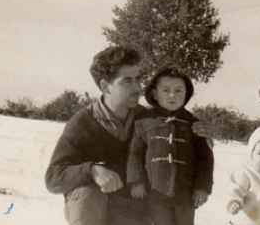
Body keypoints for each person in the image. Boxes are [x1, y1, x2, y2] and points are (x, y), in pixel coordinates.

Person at [44, 47, 213, 225]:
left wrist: (201, 134)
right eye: (127, 81)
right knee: (87, 195)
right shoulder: (83, 123)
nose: (137, 87)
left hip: (131, 209)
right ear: (104, 86)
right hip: (93, 208)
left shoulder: (150, 120)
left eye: (137, 79)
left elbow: (182, 148)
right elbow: (53, 177)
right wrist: (92, 170)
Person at [126, 63, 214, 225]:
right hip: (155, 192)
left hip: (185, 195)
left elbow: (205, 159)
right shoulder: (143, 122)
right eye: (166, 90)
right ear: (155, 93)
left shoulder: (193, 123)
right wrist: (136, 181)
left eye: (178, 91)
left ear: (186, 93)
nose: (172, 96)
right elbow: (135, 154)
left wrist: (202, 187)